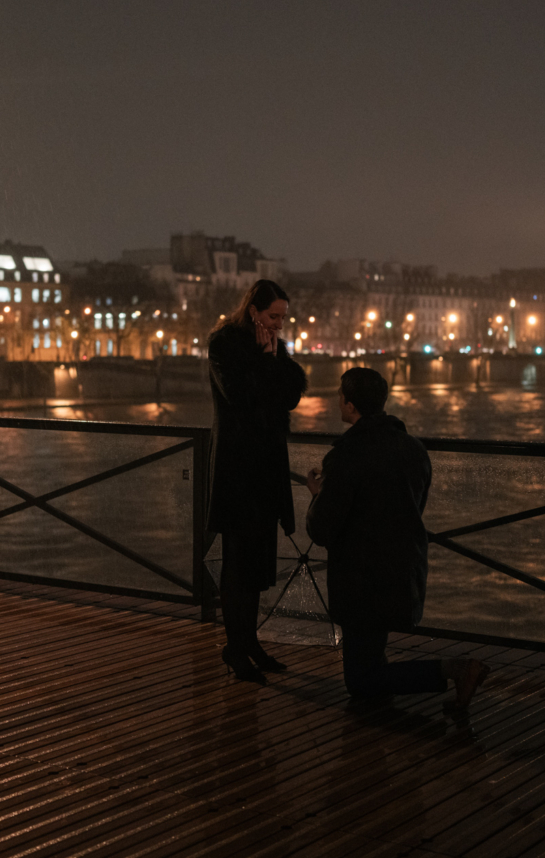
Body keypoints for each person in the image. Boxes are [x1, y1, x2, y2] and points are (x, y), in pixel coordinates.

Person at [306, 367, 487, 707]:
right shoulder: (414, 449)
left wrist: (318, 493)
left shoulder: (345, 454)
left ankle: (454, 669)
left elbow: (322, 529)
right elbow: (415, 505)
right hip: (403, 570)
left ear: (348, 404)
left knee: (360, 681)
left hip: (361, 579)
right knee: (371, 660)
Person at [207, 278, 307, 684]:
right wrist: (268, 364)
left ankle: (248, 641)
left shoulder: (272, 347)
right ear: (253, 311)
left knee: (258, 563)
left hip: (264, 468)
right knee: (237, 565)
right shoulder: (225, 344)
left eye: (284, 317)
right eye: (273, 316)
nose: (280, 324)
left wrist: (273, 363)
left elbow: (289, 396)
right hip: (237, 469)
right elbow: (241, 397)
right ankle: (236, 645)